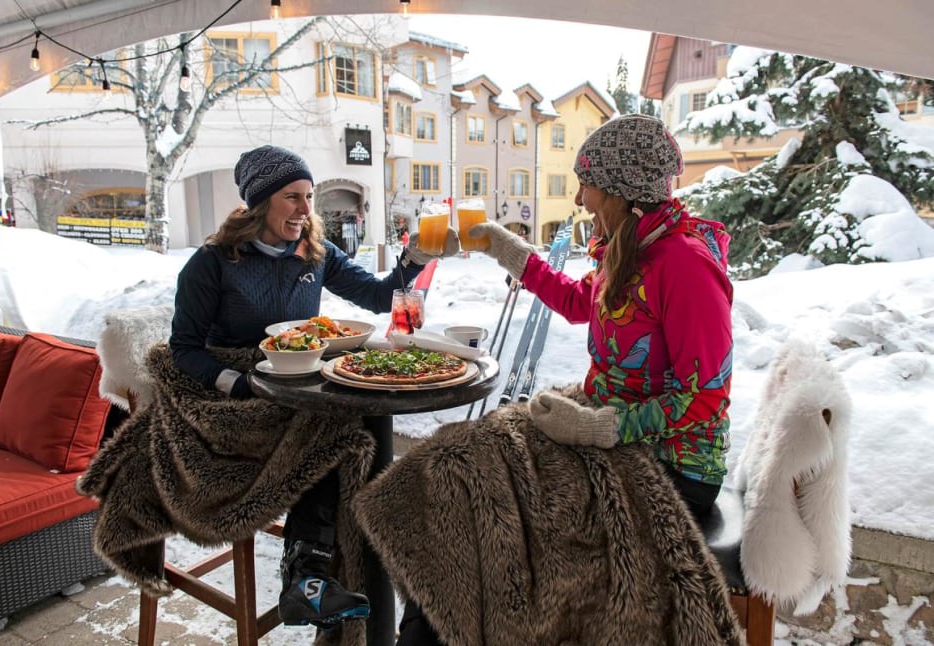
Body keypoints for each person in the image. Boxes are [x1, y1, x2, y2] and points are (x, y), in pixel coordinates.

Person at [396, 114, 732, 644]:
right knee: (453, 475)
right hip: (604, 432)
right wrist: (503, 248)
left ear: (622, 191)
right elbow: (580, 302)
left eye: (587, 183)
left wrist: (601, 428)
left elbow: (706, 396)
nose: (579, 198)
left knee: (491, 524)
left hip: (673, 464)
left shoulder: (684, 264)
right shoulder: (631, 247)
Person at [169, 144, 459, 629]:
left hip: (299, 384)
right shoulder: (213, 262)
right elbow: (183, 348)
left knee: (352, 427)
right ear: (259, 203)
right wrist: (236, 384)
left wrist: (416, 258)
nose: (305, 209)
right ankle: (313, 576)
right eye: (292, 197)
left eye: (309, 196)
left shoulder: (316, 252)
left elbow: (377, 295)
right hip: (238, 395)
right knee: (332, 431)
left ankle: (335, 572)